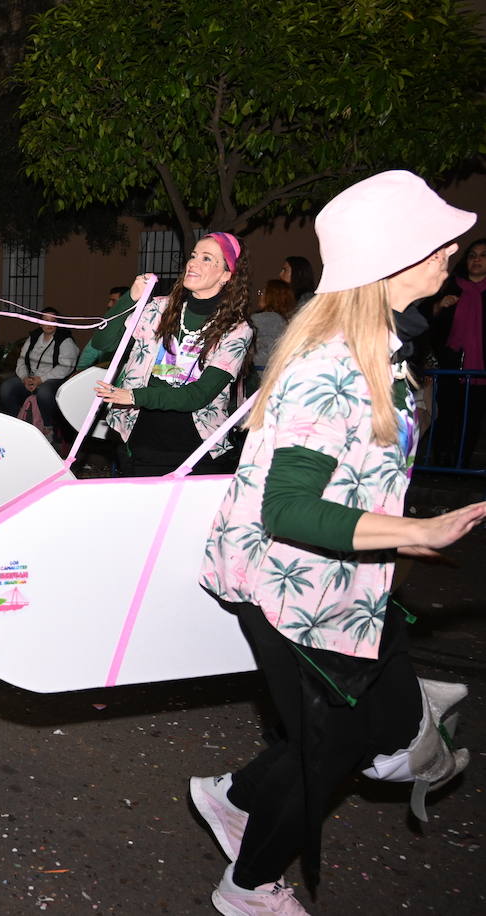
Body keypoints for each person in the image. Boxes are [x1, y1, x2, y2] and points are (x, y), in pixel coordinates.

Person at [195, 170, 486, 914]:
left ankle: (231, 797)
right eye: (434, 241)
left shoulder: (373, 345)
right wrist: (414, 530)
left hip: (337, 587)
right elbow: (290, 509)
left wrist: (393, 538)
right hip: (297, 590)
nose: (451, 249)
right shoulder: (336, 364)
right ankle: (249, 888)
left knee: (363, 731)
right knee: (336, 747)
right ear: (390, 260)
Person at [88, 232, 254, 476]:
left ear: (227, 275)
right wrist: (131, 298)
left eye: (207, 259)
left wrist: (133, 396)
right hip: (141, 440)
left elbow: (198, 396)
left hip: (197, 451)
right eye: (194, 255)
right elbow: (102, 341)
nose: (193, 263)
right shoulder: (159, 308)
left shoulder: (236, 330)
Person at [427, 236, 486, 466]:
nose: (477, 260)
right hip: (450, 366)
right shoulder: (449, 287)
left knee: (472, 419)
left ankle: (463, 463)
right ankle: (441, 462)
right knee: (446, 415)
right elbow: (424, 322)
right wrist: (439, 307)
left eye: (482, 255)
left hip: (480, 370)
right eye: (472, 256)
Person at [0, 307, 79, 439]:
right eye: (45, 320)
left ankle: (47, 427)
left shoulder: (65, 340)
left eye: (53, 321)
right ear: (39, 322)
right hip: (30, 378)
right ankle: (19, 420)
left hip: (52, 380)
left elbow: (66, 366)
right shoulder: (34, 338)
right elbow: (22, 360)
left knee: (44, 392)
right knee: (7, 387)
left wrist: (41, 379)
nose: (49, 324)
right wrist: (24, 378)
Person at [249, 278, 297, 378]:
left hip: (258, 376)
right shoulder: (290, 322)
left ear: (270, 297)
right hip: (280, 375)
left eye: (263, 292)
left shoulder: (257, 320)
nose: (260, 296)